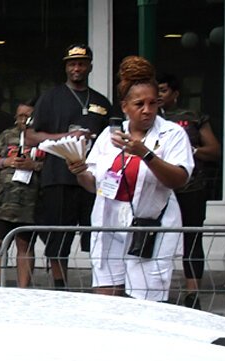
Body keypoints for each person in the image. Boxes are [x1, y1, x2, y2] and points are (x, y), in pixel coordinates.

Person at [69, 56, 192, 302]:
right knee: (106, 296)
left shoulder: (172, 134)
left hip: (150, 227)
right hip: (109, 224)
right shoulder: (109, 135)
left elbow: (180, 179)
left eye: (152, 103)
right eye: (139, 104)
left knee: (146, 302)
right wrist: (79, 171)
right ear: (124, 106)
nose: (147, 110)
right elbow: (93, 184)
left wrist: (145, 154)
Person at [26, 44, 114, 289]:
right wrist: (65, 138)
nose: (77, 68)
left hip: (93, 179)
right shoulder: (50, 97)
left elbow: (114, 136)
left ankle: (103, 285)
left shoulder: (102, 102)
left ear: (90, 66)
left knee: (97, 236)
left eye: (82, 63)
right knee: (58, 238)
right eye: (72, 64)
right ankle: (60, 286)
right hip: (58, 177)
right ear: (66, 67)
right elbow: (31, 136)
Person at [160, 72, 223, 308]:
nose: (158, 95)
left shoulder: (193, 117)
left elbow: (214, 150)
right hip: (159, 189)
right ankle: (156, 289)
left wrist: (190, 150)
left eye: (164, 90)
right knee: (153, 238)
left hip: (192, 187)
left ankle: (192, 292)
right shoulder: (148, 117)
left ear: (175, 94)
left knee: (192, 239)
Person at [0, 102, 42, 288]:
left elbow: (54, 166)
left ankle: (23, 290)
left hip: (29, 201)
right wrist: (7, 161)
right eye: (20, 116)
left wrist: (34, 166)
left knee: (25, 246)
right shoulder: (7, 135)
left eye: (27, 115)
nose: (23, 119)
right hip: (3, 201)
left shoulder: (43, 138)